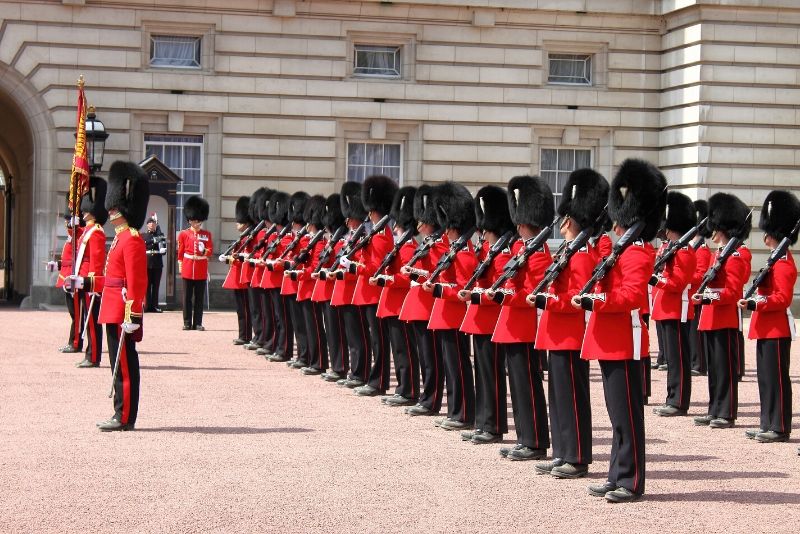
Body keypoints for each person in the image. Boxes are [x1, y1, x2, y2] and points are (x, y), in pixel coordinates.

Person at [575, 158, 665, 503]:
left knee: (627, 417)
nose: (613, 225)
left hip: (624, 340)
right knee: (616, 417)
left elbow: (630, 296)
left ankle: (631, 480)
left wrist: (596, 302)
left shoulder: (639, 253)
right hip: (608, 338)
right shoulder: (616, 250)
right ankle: (616, 475)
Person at [533, 168, 608, 478]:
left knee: (573, 399)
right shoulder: (567, 251)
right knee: (558, 398)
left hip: (570, 333)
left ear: (571, 221)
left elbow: (576, 298)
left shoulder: (582, 256)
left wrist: (549, 301)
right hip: (556, 333)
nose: (561, 224)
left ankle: (576, 457)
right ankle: (562, 451)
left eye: (565, 219)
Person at [488, 175, 553, 462]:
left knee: (528, 385)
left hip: (524, 325)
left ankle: (535, 440)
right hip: (512, 324)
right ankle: (524, 437)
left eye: (522, 221)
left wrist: (507, 294)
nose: (518, 226)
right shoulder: (520, 248)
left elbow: (532, 292)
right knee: (517, 385)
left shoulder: (538, 252)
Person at [739, 190, 799, 444]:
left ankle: (780, 426)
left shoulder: (784, 263)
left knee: (776, 379)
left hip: (776, 329)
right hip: (766, 327)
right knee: (765, 379)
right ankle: (767, 422)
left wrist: (754, 303)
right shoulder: (774, 260)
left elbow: (782, 299)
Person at [95, 160, 149, 432]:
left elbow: (137, 281)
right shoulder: (119, 237)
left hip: (123, 310)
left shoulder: (132, 239)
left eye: (115, 206)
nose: (111, 210)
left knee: (124, 364)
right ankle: (120, 410)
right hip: (112, 306)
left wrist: (134, 314)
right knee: (117, 361)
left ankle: (125, 415)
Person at [458, 185, 513, 444]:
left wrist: (476, 295)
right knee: (482, 374)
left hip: (490, 320)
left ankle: (493, 425)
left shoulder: (502, 254)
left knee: (491, 376)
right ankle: (483, 422)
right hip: (479, 321)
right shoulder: (488, 250)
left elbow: (498, 292)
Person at [692, 192, 751, 430]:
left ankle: (726, 412)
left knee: (724, 369)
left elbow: (734, 291)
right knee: (714, 369)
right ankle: (714, 408)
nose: (712, 232)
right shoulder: (719, 253)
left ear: (724, 228)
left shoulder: (735, 255)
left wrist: (708, 296)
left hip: (724, 318)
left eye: (715, 227)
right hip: (710, 317)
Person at [424, 182, 478, 431]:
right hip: (445, 313)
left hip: (455, 314)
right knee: (450, 365)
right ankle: (455, 410)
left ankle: (463, 413)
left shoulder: (464, 250)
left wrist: (437, 288)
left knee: (458, 365)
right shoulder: (453, 246)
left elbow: (463, 288)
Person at [401, 185, 447, 417]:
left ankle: (431, 400)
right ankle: (426, 397)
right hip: (419, 304)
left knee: (431, 358)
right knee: (424, 356)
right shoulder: (427, 242)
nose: (418, 224)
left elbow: (438, 273)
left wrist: (417, 273)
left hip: (429, 304)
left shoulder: (439, 244)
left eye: (423, 219)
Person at [371, 186, 420, 406]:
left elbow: (406, 277)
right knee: (398, 349)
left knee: (405, 350)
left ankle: (408, 389)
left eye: (398, 224)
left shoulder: (408, 246)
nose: (395, 227)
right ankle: (403, 387)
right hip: (392, 301)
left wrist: (387, 279)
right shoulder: (399, 245)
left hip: (401, 302)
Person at [350, 175, 397, 398]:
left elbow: (375, 267)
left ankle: (378, 381)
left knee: (378, 340)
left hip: (374, 293)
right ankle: (373, 377)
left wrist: (356, 263)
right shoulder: (376, 231)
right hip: (368, 293)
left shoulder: (381, 234)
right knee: (372, 338)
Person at [651, 192, 697, 417]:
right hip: (664, 308)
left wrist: (654, 279)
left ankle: (679, 401)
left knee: (678, 358)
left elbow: (677, 283)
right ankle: (672, 396)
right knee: (671, 358)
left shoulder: (685, 251)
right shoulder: (669, 247)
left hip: (676, 309)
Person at [65, 176, 108, 369]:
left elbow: (96, 261)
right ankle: (89, 353)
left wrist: (91, 284)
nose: (82, 212)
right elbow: (75, 239)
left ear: (92, 212)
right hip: (82, 279)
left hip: (89, 282)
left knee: (92, 321)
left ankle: (94, 356)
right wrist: (72, 224)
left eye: (84, 210)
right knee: (86, 319)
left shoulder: (96, 231)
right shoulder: (88, 230)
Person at [52, 203, 85, 354]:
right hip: (67, 278)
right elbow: (68, 260)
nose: (66, 224)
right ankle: (72, 341)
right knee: (74, 314)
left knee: (76, 314)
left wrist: (75, 226)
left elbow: (76, 260)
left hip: (73, 279)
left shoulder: (78, 236)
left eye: (68, 221)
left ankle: (75, 343)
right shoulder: (71, 238)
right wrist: (57, 264)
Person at [221, 196, 254, 345]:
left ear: (246, 222)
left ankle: (247, 335)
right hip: (237, 276)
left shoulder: (250, 237)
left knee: (247, 309)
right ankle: (243, 335)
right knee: (241, 310)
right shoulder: (241, 238)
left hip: (244, 277)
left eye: (239, 221)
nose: (237, 224)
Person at [177, 195, 213, 331]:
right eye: (194, 220)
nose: (197, 222)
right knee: (186, 298)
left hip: (201, 269)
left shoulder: (207, 234)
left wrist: (204, 252)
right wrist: (180, 264)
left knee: (199, 298)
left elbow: (210, 249)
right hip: (187, 266)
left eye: (198, 220)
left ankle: (197, 323)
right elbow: (180, 252)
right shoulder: (183, 234)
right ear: (190, 220)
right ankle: (187, 322)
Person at [689, 200, 711, 376]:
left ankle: (699, 363)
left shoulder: (701, 249)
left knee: (696, 331)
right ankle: (693, 360)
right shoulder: (690, 247)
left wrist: (684, 280)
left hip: (695, 294)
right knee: (691, 330)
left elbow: (701, 274)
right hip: (688, 295)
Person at [143, 214, 166, 312]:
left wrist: (162, 248)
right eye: (150, 223)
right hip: (147, 263)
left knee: (156, 286)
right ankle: (147, 306)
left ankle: (155, 306)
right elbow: (144, 246)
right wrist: (154, 239)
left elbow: (164, 250)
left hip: (157, 263)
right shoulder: (143, 236)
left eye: (154, 223)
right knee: (147, 286)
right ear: (147, 225)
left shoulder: (160, 235)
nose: (152, 224)